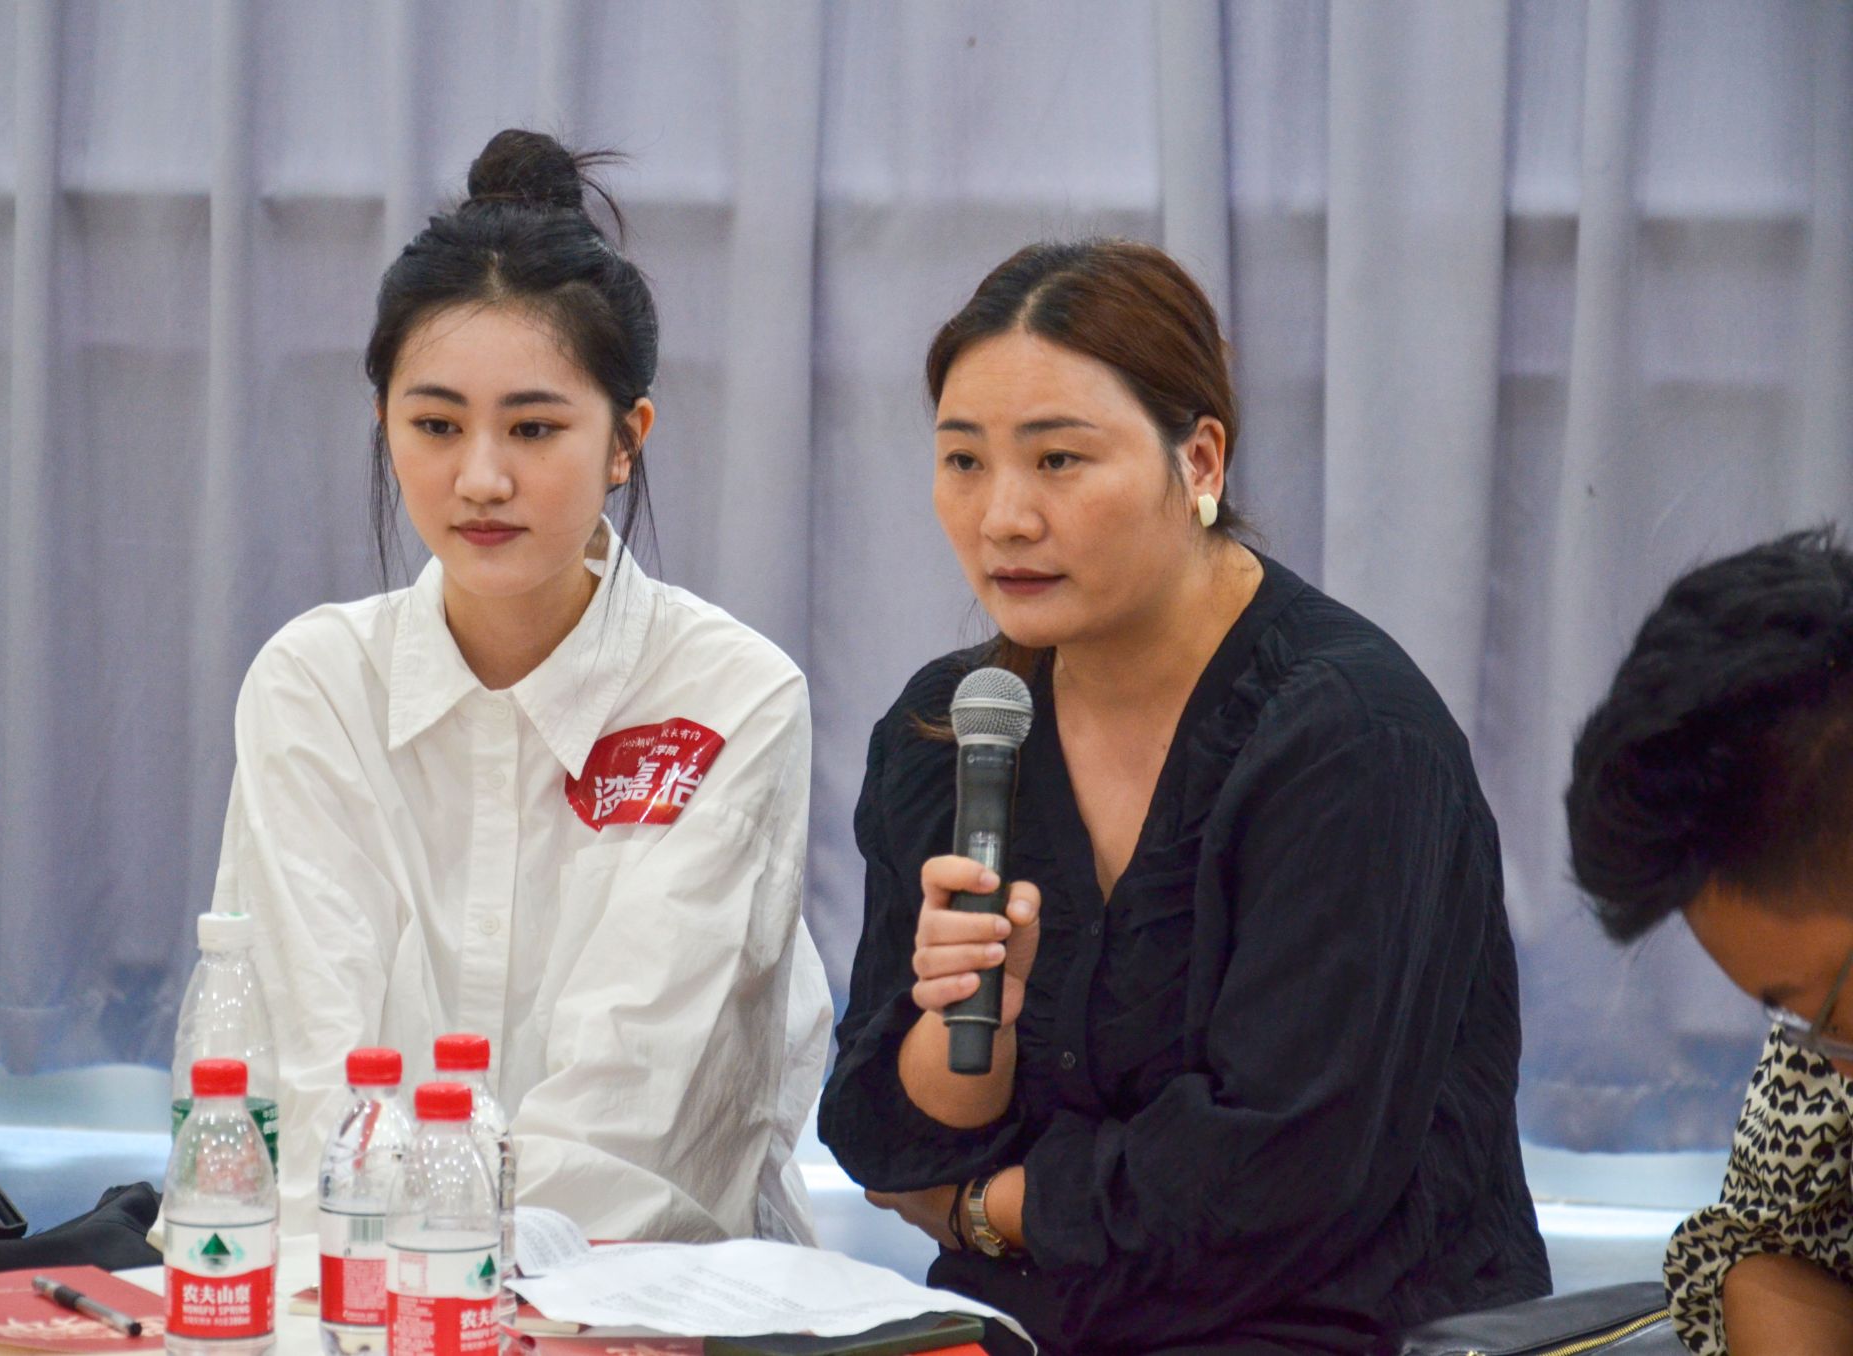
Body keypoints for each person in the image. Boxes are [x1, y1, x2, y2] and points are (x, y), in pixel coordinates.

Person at [817, 239, 1551, 1354]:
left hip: (1328, 1329)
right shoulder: (954, 728)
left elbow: (1274, 1173)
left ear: (1198, 459)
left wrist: (987, 1212)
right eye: (963, 460)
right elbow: (881, 1139)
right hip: (1032, 1325)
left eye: (1058, 460)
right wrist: (977, 1026)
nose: (1002, 516)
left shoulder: (1348, 736)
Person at [206, 129, 832, 1245]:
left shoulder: (732, 697)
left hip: (633, 1294)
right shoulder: (315, 685)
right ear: (385, 424)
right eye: (435, 425)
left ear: (626, 440)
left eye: (534, 428)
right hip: (348, 1284)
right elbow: (306, 1085)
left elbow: (634, 1132)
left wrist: (443, 1259)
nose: (481, 477)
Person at [1565, 527, 1853, 1356]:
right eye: (1794, 1022)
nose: (1833, 1064)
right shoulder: (1818, 1057)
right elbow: (1753, 1254)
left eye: (1829, 1016)